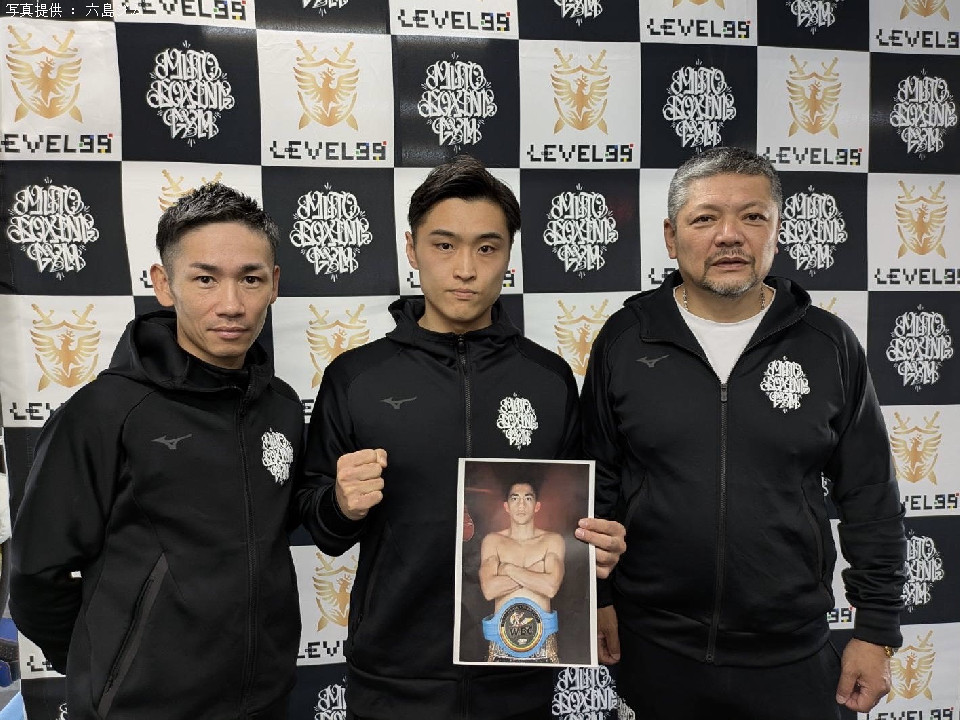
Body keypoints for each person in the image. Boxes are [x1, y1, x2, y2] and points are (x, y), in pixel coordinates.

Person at [297, 154, 626, 720]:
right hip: (394, 673)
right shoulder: (356, 377)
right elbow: (319, 526)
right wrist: (340, 504)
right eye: (444, 245)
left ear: (509, 255)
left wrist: (600, 555)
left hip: (518, 661)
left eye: (487, 247)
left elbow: (580, 514)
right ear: (412, 249)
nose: (466, 269)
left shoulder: (548, 378)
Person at [582, 147, 907, 719]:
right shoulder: (626, 339)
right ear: (671, 236)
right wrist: (597, 598)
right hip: (654, 646)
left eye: (753, 217)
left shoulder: (828, 344)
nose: (729, 235)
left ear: (777, 232)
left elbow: (870, 495)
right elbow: (596, 483)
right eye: (705, 218)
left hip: (792, 651)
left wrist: (876, 629)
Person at [10, 183, 303, 719]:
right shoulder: (102, 412)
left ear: (274, 285)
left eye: (250, 279)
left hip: (266, 700)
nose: (231, 304)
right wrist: (107, 671)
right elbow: (35, 576)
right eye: (205, 279)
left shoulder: (281, 406)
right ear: (164, 284)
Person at [479, 481, 565, 663]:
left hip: (544, 647)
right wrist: (536, 571)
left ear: (537, 506)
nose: (521, 505)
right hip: (500, 645)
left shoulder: (552, 540)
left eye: (528, 498)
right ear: (506, 506)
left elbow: (550, 587)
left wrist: (507, 568)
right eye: (515, 498)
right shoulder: (493, 541)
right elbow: (489, 590)